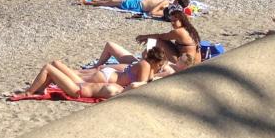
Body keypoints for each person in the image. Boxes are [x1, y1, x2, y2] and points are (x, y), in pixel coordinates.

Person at [18, 44, 174, 100]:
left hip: (105, 76)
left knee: (57, 67)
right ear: (156, 61)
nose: (161, 67)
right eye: (160, 64)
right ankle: (31, 91)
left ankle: (36, 88)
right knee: (67, 75)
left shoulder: (144, 64)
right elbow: (142, 84)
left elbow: (142, 82)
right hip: (105, 79)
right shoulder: (146, 66)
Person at [133, 4, 203, 67]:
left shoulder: (179, 31)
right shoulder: (189, 29)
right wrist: (149, 38)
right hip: (194, 63)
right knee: (161, 41)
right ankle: (144, 59)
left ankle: (143, 61)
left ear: (181, 19)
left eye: (175, 20)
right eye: (171, 21)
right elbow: (164, 38)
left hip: (187, 64)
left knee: (158, 41)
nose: (172, 23)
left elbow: (161, 36)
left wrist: (145, 37)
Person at [79, 0, 190, 19]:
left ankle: (89, 2)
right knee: (115, 1)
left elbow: (152, 13)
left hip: (138, 5)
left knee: (114, 2)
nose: (174, 2)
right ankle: (96, 0)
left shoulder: (166, 8)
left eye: (176, 1)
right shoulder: (170, 5)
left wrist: (161, 2)